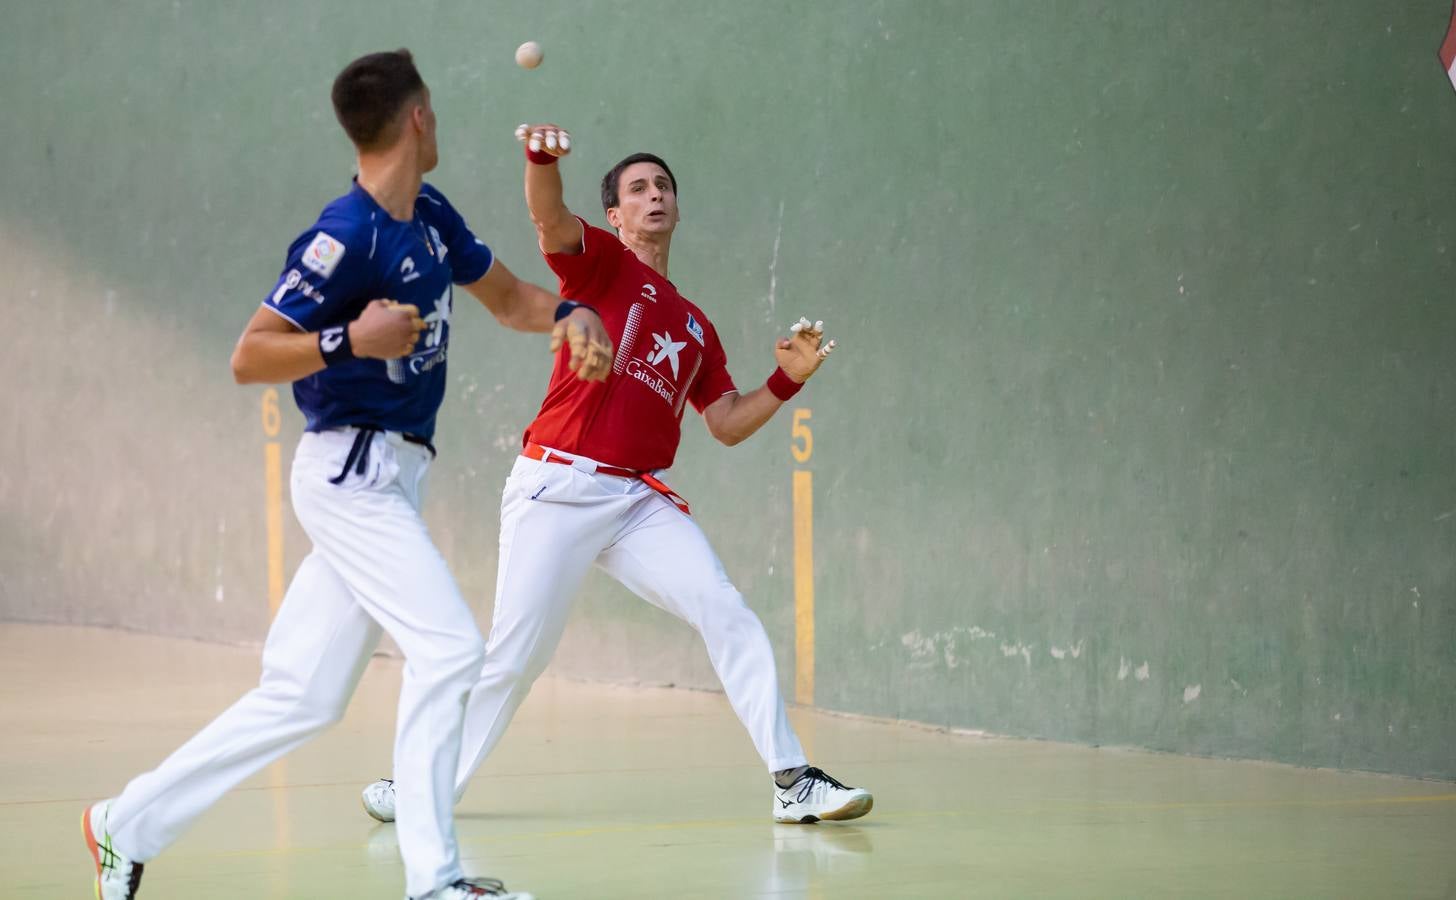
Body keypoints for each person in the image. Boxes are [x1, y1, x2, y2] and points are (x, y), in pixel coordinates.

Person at [80, 52, 611, 900]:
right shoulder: (343, 237)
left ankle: (122, 824)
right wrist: (348, 341)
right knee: (449, 650)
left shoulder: (429, 215)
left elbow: (512, 300)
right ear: (419, 120)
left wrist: (576, 310)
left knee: (303, 697)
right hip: (349, 473)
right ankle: (435, 881)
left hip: (396, 477)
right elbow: (248, 356)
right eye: (432, 111)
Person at [359, 123, 870, 829]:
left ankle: (793, 781)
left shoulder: (696, 326)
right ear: (616, 217)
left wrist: (785, 382)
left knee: (725, 608)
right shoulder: (600, 266)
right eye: (638, 189)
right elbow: (547, 217)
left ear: (676, 209)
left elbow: (723, 421)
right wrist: (541, 160)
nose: (654, 196)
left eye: (663, 187)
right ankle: (419, 784)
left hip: (635, 500)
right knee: (514, 659)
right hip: (556, 488)